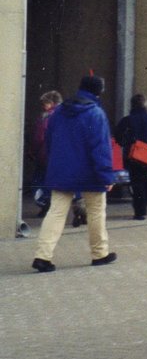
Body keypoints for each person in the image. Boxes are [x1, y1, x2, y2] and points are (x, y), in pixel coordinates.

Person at [31, 74, 118, 273]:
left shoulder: (59, 112)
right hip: (90, 173)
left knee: (56, 212)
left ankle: (42, 256)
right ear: (98, 92)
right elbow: (101, 149)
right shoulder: (96, 114)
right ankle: (99, 254)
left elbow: (50, 141)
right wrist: (107, 176)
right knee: (96, 211)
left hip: (62, 170)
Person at [28, 90, 62, 218]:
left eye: (45, 103)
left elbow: (39, 137)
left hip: (45, 154)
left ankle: (45, 204)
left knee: (39, 181)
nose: (43, 106)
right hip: (59, 156)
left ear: (51, 103)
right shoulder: (65, 115)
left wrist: (32, 151)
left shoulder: (46, 117)